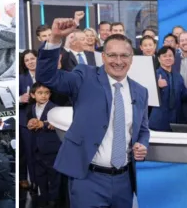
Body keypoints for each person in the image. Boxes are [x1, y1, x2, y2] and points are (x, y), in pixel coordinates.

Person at [36, 19, 150, 208]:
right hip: (88, 179)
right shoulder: (84, 76)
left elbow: (143, 129)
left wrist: (142, 144)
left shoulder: (141, 91)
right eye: (112, 55)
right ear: (103, 57)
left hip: (125, 182)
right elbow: (47, 77)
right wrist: (55, 38)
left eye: (124, 56)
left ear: (132, 59)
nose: (118, 61)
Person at [24, 83, 60, 208]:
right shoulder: (31, 108)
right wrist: (30, 124)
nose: (44, 95)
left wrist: (43, 124)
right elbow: (29, 124)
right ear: (33, 95)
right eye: (40, 93)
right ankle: (43, 199)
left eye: (47, 92)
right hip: (36, 149)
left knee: (54, 178)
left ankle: (53, 201)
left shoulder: (55, 108)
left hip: (52, 150)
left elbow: (57, 123)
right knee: (40, 177)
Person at [150, 46, 187, 131]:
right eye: (164, 56)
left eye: (170, 56)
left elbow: (183, 96)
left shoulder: (178, 76)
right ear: (159, 59)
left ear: (174, 58)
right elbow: (148, 98)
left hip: (175, 121)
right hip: (158, 121)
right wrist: (157, 87)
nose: (168, 58)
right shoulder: (154, 75)